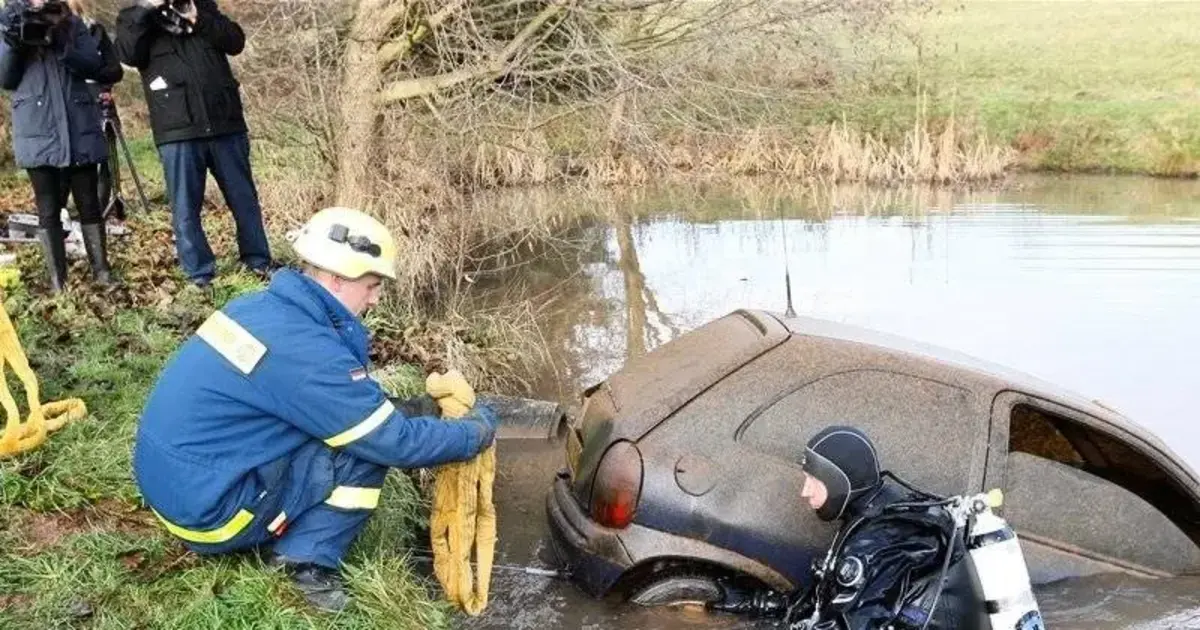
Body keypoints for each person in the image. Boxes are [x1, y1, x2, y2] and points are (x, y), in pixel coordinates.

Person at [132, 207, 498, 612]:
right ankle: (305, 561)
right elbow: (394, 444)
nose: (376, 298)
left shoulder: (258, 309)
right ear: (337, 278)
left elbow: (311, 402)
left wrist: (415, 409)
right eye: (372, 285)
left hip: (175, 487)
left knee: (354, 429)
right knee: (363, 454)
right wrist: (476, 432)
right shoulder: (309, 354)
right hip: (212, 516)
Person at [709, 426, 988, 630]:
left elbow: (852, 625)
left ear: (839, 482)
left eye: (812, 480)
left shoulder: (883, 539)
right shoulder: (871, 513)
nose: (804, 492)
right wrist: (758, 604)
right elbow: (826, 599)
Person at [114, 0, 273, 288]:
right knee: (186, 207)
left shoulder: (201, 6)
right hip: (177, 128)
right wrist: (148, 8)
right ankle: (199, 274)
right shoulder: (133, 18)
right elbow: (127, 53)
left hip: (224, 122)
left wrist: (198, 17)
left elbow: (235, 41)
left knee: (244, 199)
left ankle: (258, 261)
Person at [0, 0, 122, 293]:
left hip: (77, 122)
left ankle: (102, 272)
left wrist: (61, 44)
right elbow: (5, 78)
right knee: (48, 206)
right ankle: (58, 281)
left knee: (89, 202)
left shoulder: (72, 23)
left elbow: (94, 64)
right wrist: (17, 43)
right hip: (38, 127)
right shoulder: (7, 24)